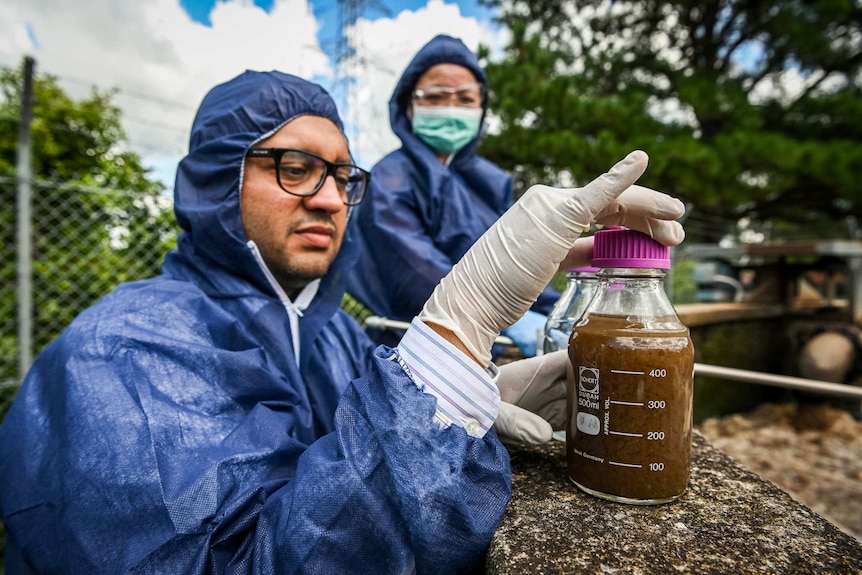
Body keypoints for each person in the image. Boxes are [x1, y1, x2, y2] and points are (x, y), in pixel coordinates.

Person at [0, 69, 685, 574]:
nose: (330, 199)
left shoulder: (328, 333)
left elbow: (359, 460)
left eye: (343, 177)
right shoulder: (120, 355)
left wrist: (473, 393)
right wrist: (463, 321)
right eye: (296, 167)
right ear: (217, 180)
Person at [346, 35, 558, 356]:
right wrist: (508, 316)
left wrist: (562, 312)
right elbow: (416, 272)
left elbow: (518, 260)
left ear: (482, 107)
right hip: (412, 353)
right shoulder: (390, 179)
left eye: (465, 99)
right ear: (409, 105)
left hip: (488, 350)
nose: (451, 108)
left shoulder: (491, 181)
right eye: (435, 97)